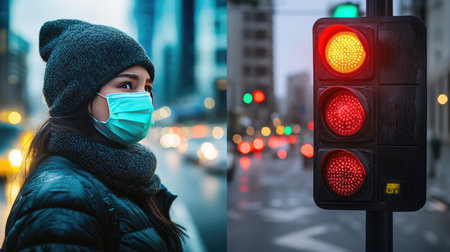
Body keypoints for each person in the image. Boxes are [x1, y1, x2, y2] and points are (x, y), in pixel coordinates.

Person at [1, 19, 185, 251]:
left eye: (147, 87)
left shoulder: (127, 177)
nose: (144, 100)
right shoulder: (61, 200)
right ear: (80, 97)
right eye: (127, 85)